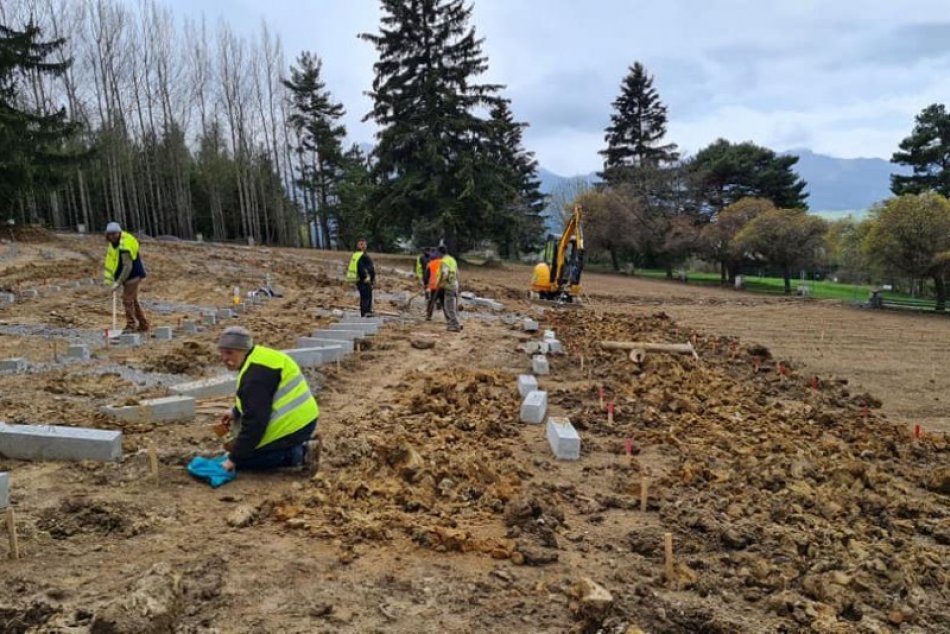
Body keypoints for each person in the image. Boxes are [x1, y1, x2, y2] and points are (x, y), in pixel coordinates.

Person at [216, 326, 319, 474]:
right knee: (243, 449)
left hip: (296, 425)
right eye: (222, 352)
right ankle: (295, 443)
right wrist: (235, 411)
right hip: (303, 418)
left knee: (246, 460)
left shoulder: (254, 377)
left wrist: (233, 459)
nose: (225, 358)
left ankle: (301, 454)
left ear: (243, 350)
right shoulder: (257, 357)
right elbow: (259, 398)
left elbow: (255, 424)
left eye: (230, 353)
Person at [103, 221, 150, 332]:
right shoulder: (113, 245)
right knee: (133, 300)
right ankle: (143, 324)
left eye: (114, 234)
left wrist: (118, 282)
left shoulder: (125, 244)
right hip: (126, 276)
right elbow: (112, 263)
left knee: (127, 300)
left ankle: (131, 325)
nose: (112, 236)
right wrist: (111, 280)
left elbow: (127, 266)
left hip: (132, 275)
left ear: (119, 233)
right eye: (110, 234)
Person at [345, 237, 376, 317]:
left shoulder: (357, 255)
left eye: (364, 244)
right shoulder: (361, 256)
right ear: (357, 245)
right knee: (366, 297)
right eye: (361, 244)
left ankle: (366, 312)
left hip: (360, 280)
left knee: (365, 297)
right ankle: (366, 313)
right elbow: (362, 268)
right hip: (364, 280)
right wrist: (367, 278)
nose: (363, 246)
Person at [436, 244, 462, 332]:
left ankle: (455, 325)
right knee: (453, 306)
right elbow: (457, 272)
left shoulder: (444, 261)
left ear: (440, 252)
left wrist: (440, 283)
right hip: (455, 284)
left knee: (449, 306)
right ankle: (455, 322)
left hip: (449, 285)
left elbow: (445, 273)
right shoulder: (452, 259)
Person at [425, 249, 444, 321]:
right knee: (444, 301)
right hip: (442, 285)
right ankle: (448, 317)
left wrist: (426, 285)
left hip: (433, 286)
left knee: (432, 300)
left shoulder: (430, 264)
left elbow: (426, 277)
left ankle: (428, 315)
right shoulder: (443, 263)